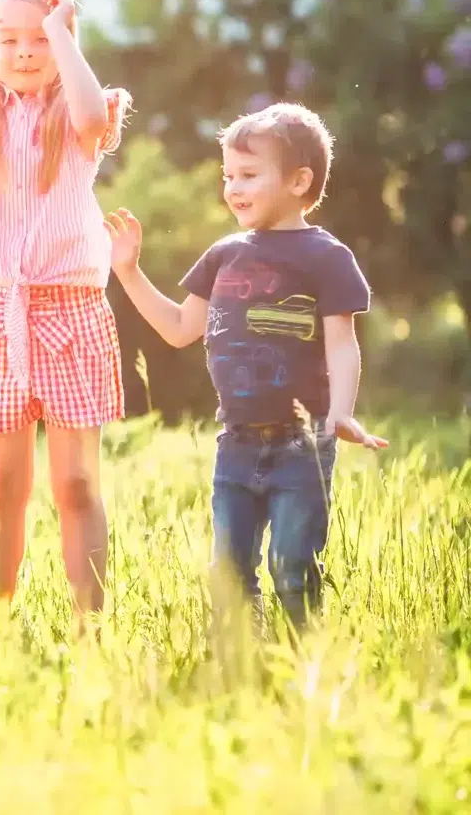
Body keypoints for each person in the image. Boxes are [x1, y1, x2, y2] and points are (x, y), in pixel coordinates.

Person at [105, 103, 383, 628]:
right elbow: (179, 329)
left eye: (249, 175)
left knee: (291, 568)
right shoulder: (223, 255)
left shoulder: (325, 256)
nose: (233, 187)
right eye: (228, 175)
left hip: (302, 446)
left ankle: (306, 658)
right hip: (235, 443)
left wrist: (340, 413)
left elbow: (342, 343)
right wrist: (129, 270)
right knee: (230, 572)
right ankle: (241, 659)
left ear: (300, 181)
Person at [0, 0, 132, 616]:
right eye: (9, 40)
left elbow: (91, 116)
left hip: (71, 312)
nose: (25, 52)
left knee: (75, 484)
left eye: (39, 40)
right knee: (1, 486)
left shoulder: (79, 114)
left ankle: (89, 625)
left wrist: (62, 32)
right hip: (1, 311)